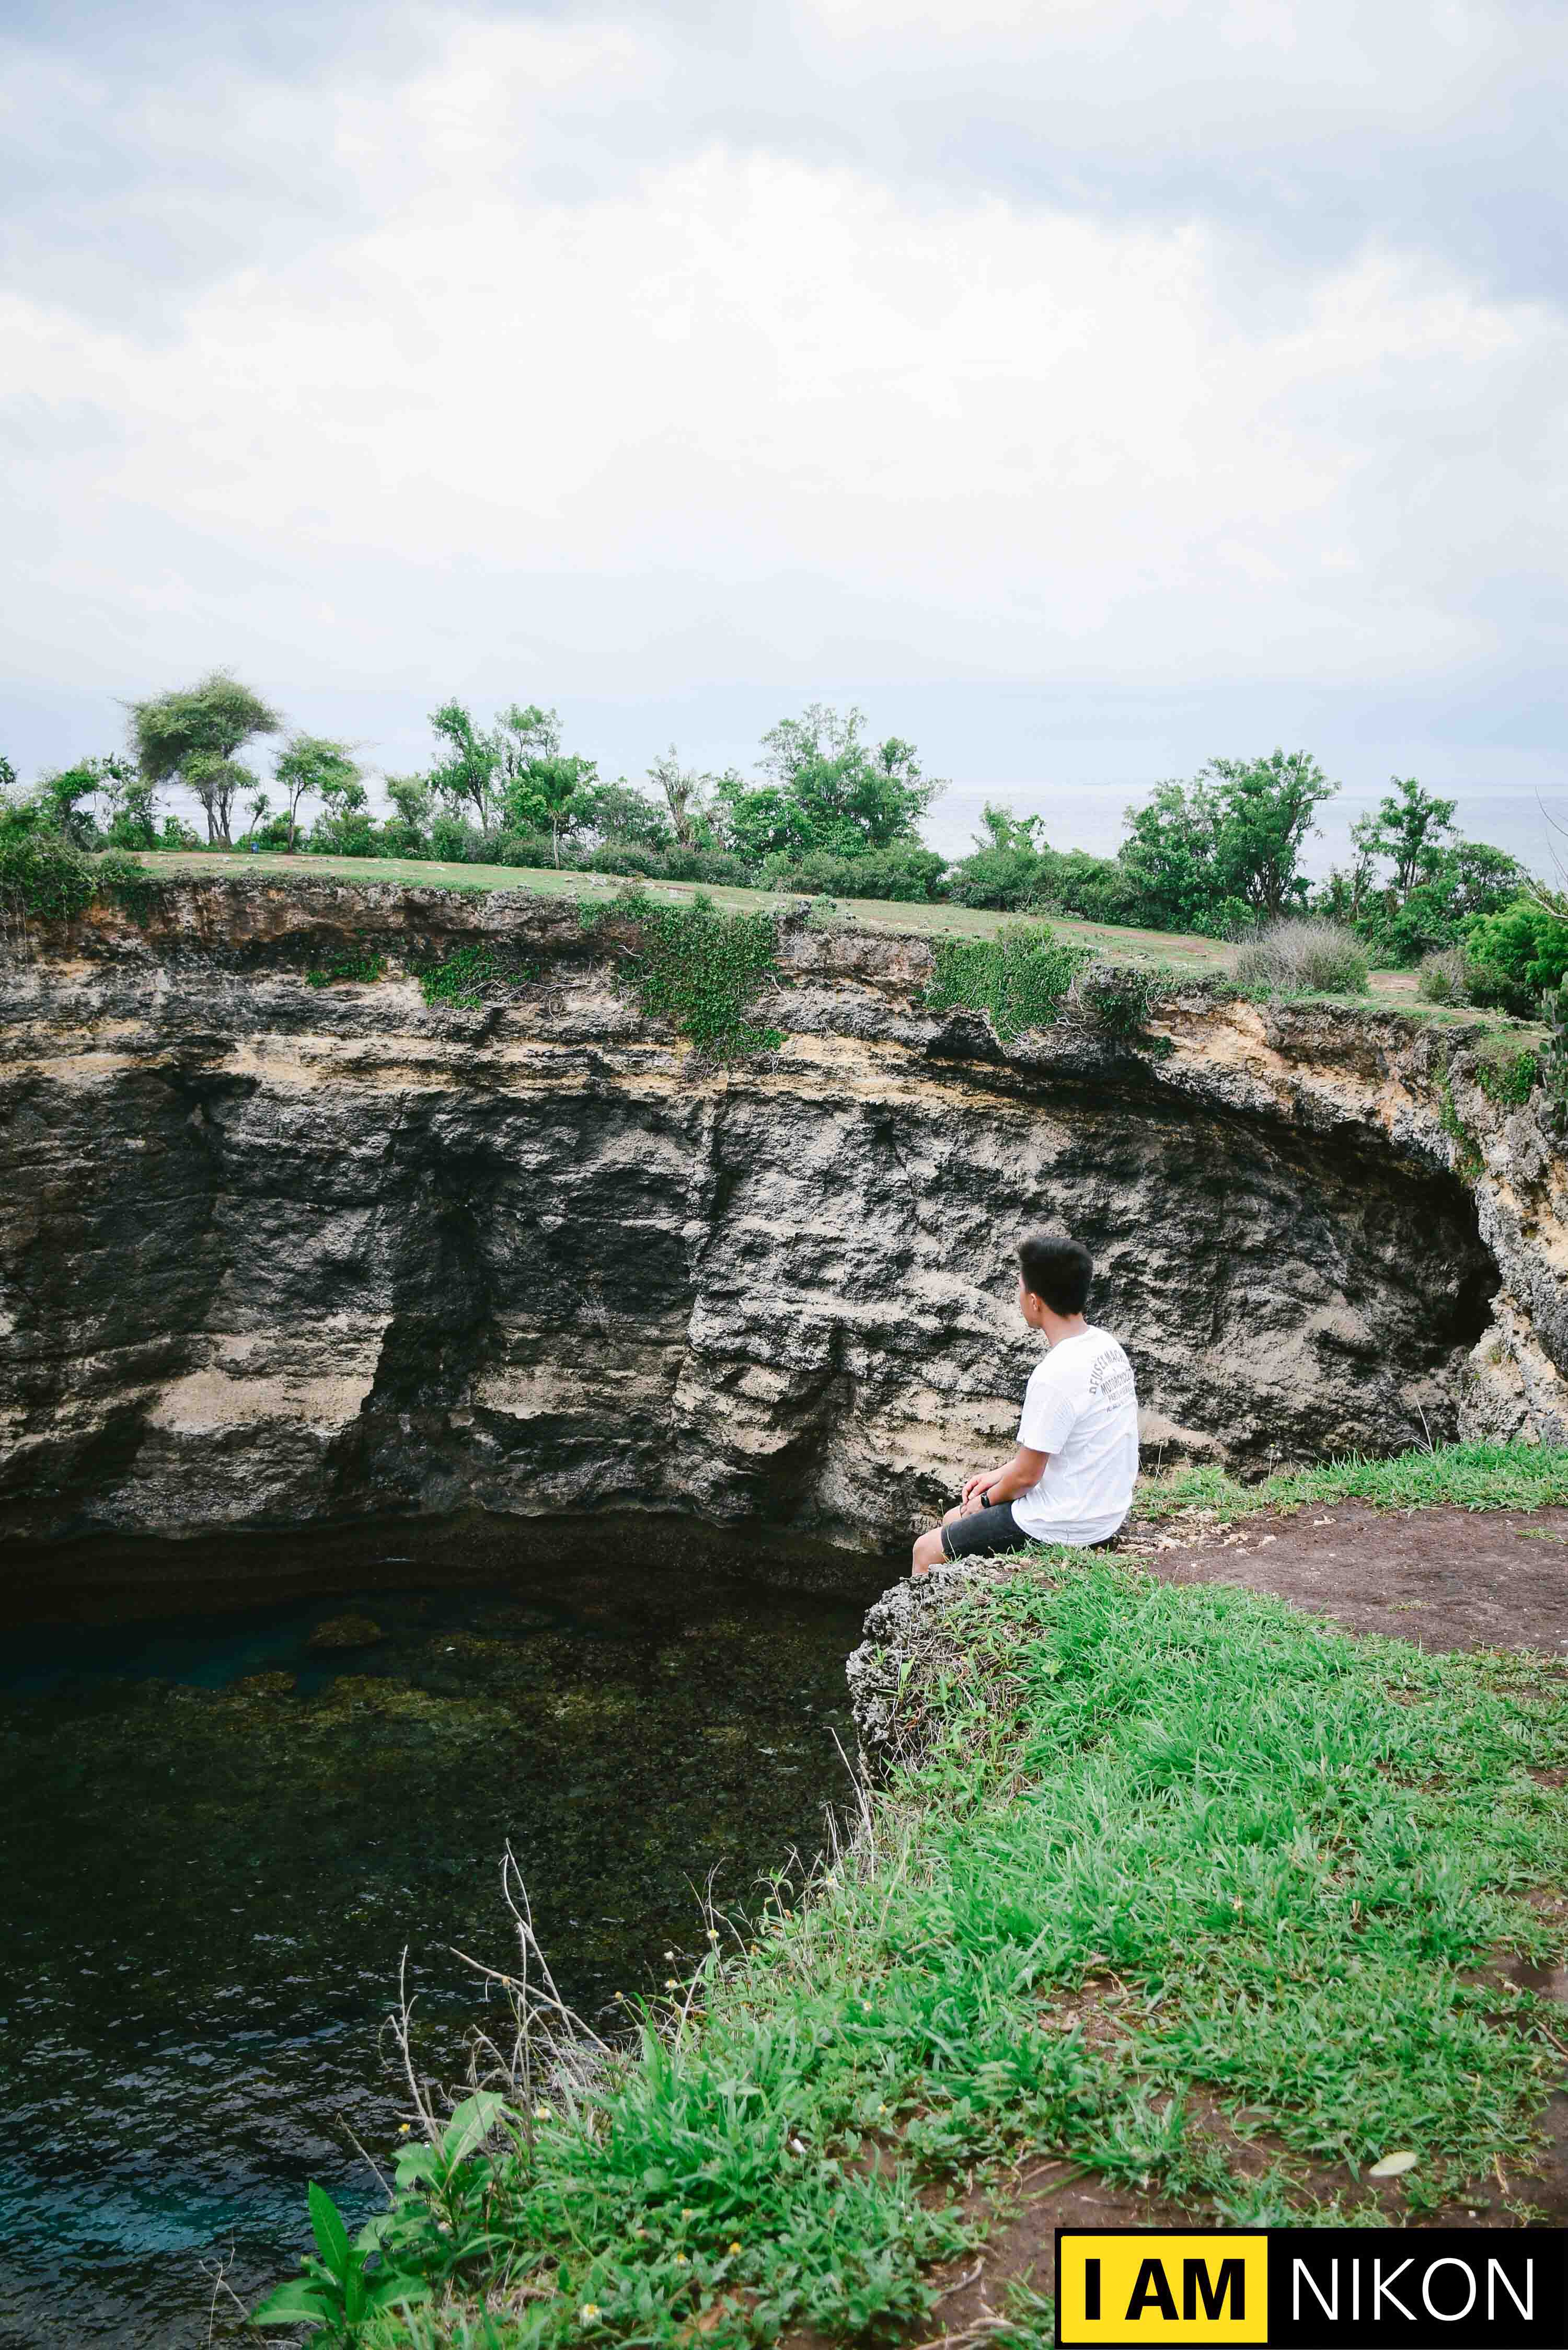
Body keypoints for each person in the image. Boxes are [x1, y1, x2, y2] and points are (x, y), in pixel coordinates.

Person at [911, 1234, 1138, 1579]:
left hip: (1068, 1523)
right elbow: (1056, 1450)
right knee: (952, 1520)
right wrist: (997, 1476)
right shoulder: (1107, 1348)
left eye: (1020, 1288)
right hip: (1106, 1509)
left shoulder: (1054, 1375)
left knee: (925, 1550)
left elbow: (1026, 1478)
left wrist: (984, 1502)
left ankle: (922, 1630)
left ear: (1035, 1302)